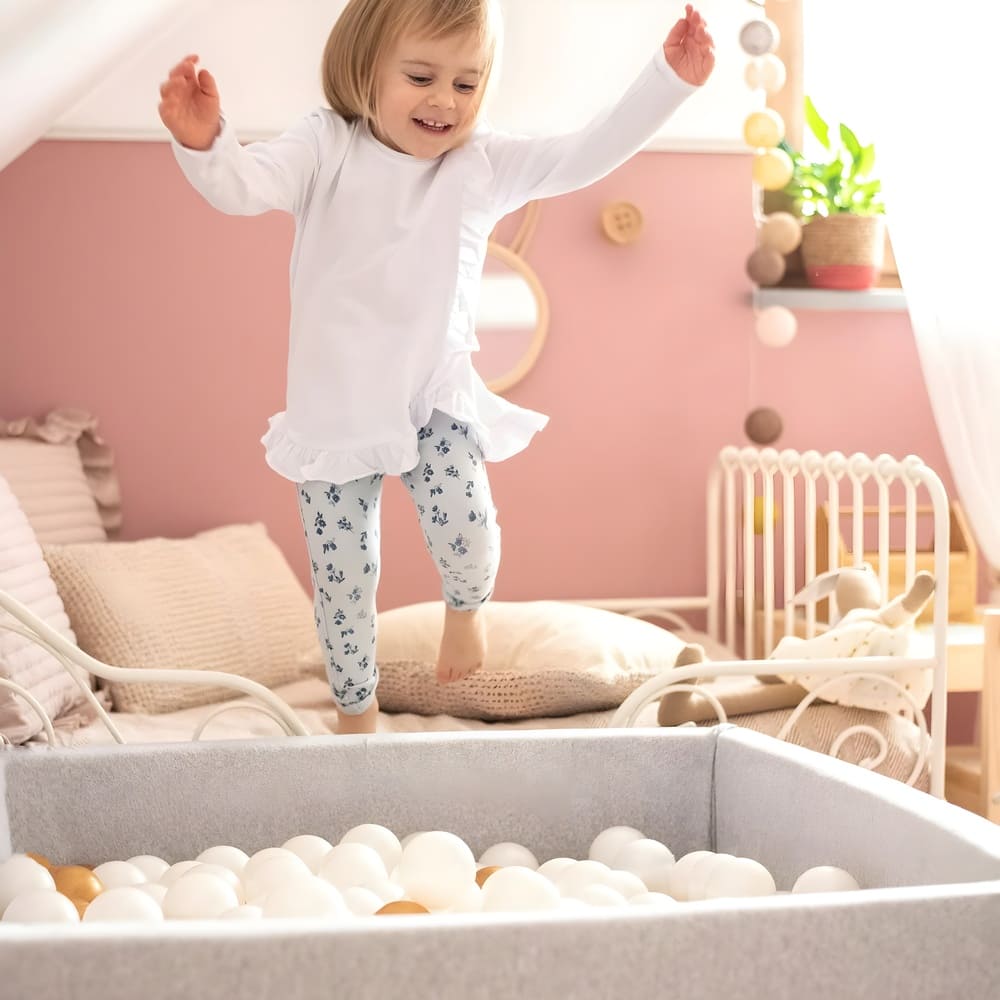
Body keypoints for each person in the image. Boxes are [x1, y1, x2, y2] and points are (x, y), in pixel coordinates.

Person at [158, 0, 715, 735]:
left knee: (469, 521)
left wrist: (666, 81)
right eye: (421, 76)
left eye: (466, 82)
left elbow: (584, 151)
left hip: (433, 392)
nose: (444, 101)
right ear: (365, 66)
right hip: (334, 407)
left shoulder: (478, 163)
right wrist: (206, 145)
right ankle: (355, 712)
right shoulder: (326, 145)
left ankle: (466, 608)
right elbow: (246, 185)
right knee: (343, 575)